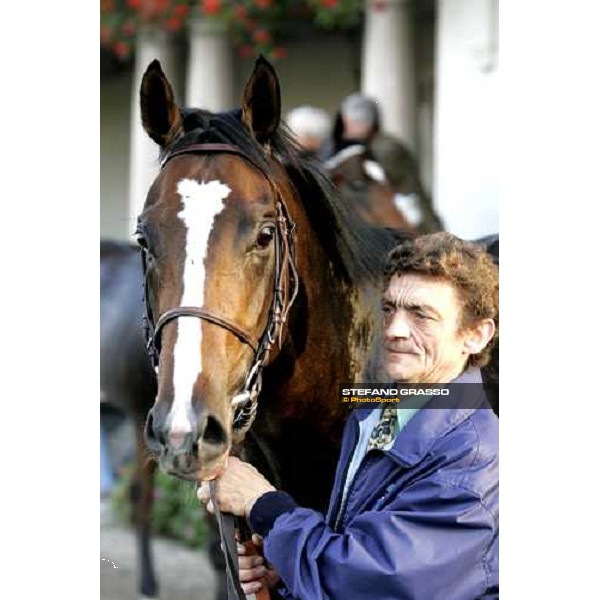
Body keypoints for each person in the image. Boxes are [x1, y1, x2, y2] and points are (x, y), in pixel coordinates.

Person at [198, 232, 499, 599]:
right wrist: (288, 570)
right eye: (389, 308)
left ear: (476, 335)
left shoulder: (472, 459)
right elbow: (356, 541)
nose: (394, 330)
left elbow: (374, 582)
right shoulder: (378, 410)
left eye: (421, 315)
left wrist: (262, 504)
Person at [324, 92, 444, 234]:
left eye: (351, 122)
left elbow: (410, 195)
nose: (346, 129)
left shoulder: (385, 148)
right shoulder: (348, 150)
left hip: (404, 225)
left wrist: (428, 232)